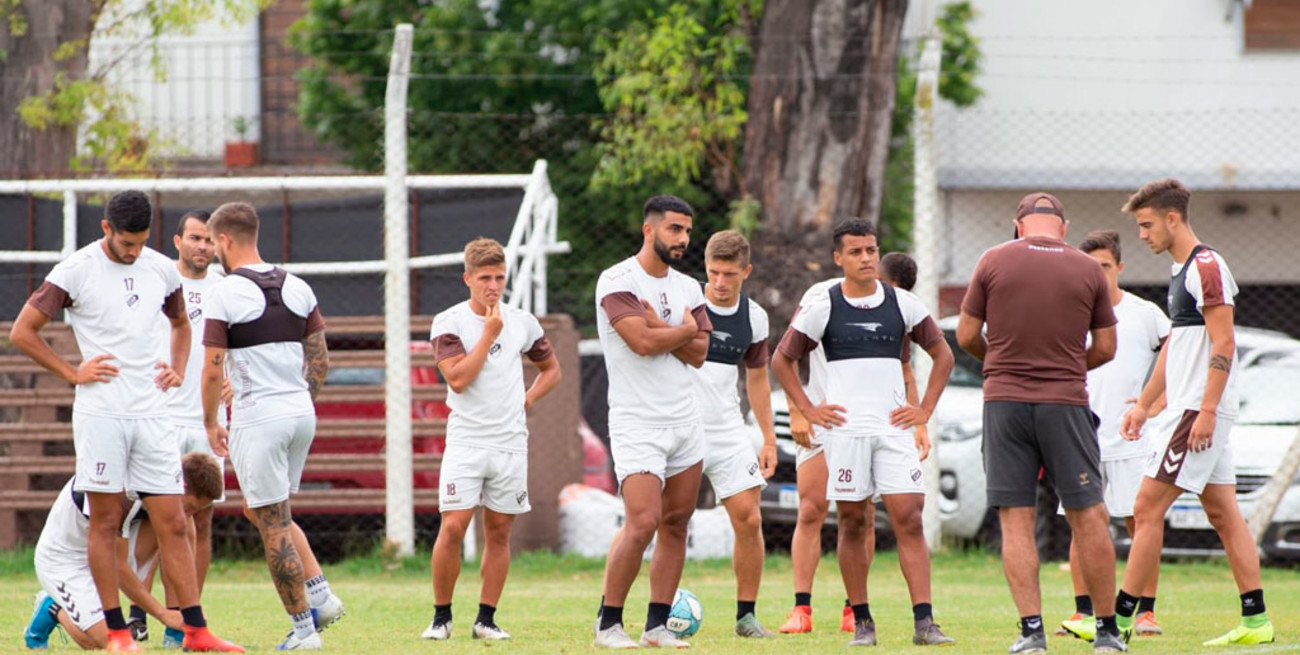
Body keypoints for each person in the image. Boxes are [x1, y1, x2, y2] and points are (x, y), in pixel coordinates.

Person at [9, 190, 242, 653]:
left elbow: (180, 323)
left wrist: (177, 367)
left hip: (153, 413)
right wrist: (73, 372)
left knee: (175, 520)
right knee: (107, 521)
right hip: (101, 414)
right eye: (125, 244)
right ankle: (117, 633)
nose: (133, 252)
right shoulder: (76, 270)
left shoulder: (158, 268)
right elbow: (22, 331)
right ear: (105, 230)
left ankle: (195, 631)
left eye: (140, 242)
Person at [772, 219, 956, 647]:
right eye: (855, 252)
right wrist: (808, 408)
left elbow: (942, 354)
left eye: (871, 250)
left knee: (908, 518)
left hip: (893, 431)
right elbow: (782, 359)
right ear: (839, 259)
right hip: (845, 433)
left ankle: (925, 623)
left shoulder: (903, 304)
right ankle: (863, 622)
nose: (866, 258)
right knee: (852, 521)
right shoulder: (823, 305)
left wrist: (924, 409)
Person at [956, 192, 1124, 653]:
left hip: (1004, 403)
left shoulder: (992, 260)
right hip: (1065, 403)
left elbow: (966, 335)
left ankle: (1032, 632)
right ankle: (1108, 633)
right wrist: (1066, 369)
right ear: (1064, 228)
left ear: (1018, 225)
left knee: (1016, 519)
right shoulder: (1089, 269)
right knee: (1089, 515)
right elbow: (1107, 347)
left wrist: (1003, 366)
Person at [1115, 179, 1272, 645]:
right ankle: (1256, 620)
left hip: (1196, 411)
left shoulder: (1207, 266)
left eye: (1146, 225)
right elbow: (1177, 345)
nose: (1142, 235)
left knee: (1145, 507)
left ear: (1172, 218)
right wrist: (1143, 405)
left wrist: (1206, 411)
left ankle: (1119, 619)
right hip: (1185, 408)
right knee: (1224, 513)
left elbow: (1224, 342)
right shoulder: (1181, 270)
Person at [201, 201, 343, 650]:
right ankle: (322, 597)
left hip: (258, 417)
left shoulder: (224, 293)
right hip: (301, 413)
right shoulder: (298, 285)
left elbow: (211, 369)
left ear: (224, 240)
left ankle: (305, 632)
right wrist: (299, 401)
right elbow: (320, 360)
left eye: (212, 242)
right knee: (265, 510)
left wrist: (210, 422)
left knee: (274, 522)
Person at [423, 238, 562, 641]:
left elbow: (551, 370)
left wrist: (527, 398)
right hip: (466, 441)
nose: (493, 286)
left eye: (500, 277)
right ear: (468, 278)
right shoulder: (448, 321)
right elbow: (459, 379)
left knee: (500, 531)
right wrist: (488, 334)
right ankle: (441, 617)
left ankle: (486, 619)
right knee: (453, 527)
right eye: (485, 278)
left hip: (510, 443)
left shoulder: (523, 321)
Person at [593, 195, 712, 649]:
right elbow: (641, 342)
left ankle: (657, 626)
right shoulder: (616, 280)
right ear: (649, 230)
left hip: (685, 419)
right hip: (636, 422)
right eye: (674, 230)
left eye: (686, 230)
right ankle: (608, 625)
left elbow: (701, 354)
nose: (683, 239)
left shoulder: (689, 287)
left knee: (677, 523)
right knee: (642, 522)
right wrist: (683, 331)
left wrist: (674, 333)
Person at [1057, 231, 1169, 642]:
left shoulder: (1145, 314)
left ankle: (1146, 612)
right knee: (1082, 523)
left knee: (1141, 521)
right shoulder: (1068, 312)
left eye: (1104, 266)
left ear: (1119, 268)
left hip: (1132, 439)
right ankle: (1083, 612)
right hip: (1079, 435)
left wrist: (1154, 404)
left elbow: (1181, 355)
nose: (1097, 275)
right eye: (1090, 267)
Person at [125, 210, 229, 647]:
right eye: (194, 238)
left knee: (200, 522)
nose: (202, 246)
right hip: (162, 417)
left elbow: (237, 343)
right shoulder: (157, 278)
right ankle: (139, 612)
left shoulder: (227, 285)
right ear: (177, 241)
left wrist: (235, 384)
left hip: (208, 423)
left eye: (208, 239)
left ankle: (187, 620)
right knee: (155, 519)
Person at [24, 453, 224, 650]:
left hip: (106, 550)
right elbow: (116, 566)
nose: (188, 514)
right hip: (65, 560)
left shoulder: (159, 483)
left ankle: (175, 634)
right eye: (190, 507)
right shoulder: (124, 493)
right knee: (103, 641)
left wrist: (190, 613)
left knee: (179, 525)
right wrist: (163, 614)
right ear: (182, 487)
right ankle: (51, 606)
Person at [691, 230, 777, 638]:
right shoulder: (685, 305)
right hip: (678, 425)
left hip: (727, 430)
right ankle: (616, 609)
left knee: (748, 518)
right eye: (713, 273)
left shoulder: (754, 317)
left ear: (747, 271)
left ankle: (746, 616)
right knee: (649, 520)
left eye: (729, 274)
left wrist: (768, 439)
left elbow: (758, 381)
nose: (720, 283)